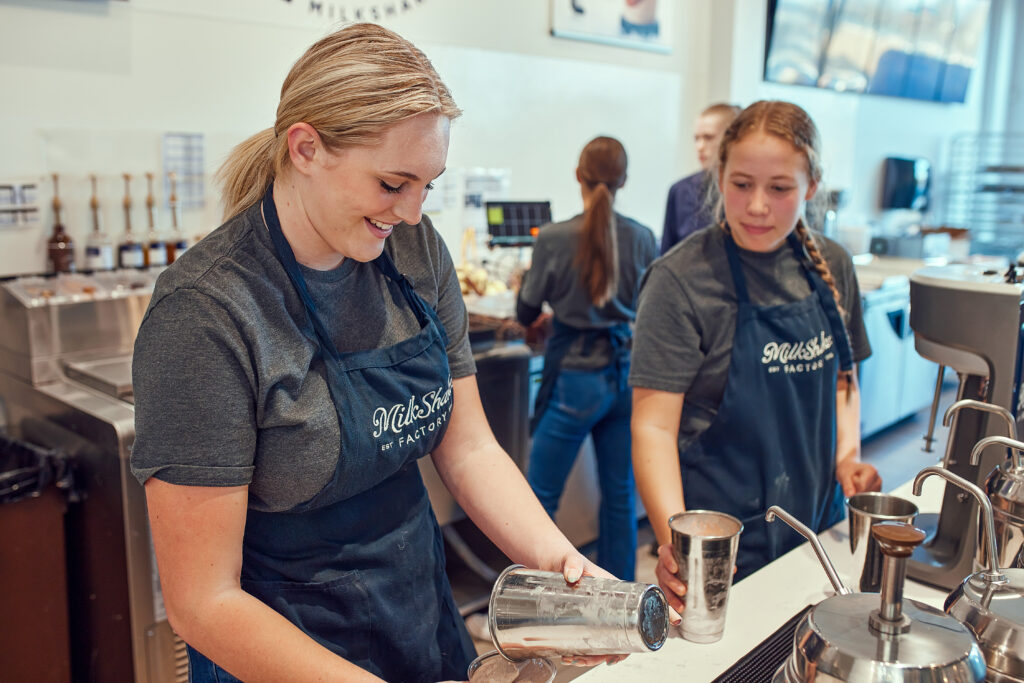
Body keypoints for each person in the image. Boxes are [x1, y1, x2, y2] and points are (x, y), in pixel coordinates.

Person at [130, 23, 629, 683]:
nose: (414, 213)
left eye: (428, 184)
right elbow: (204, 601)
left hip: (413, 610)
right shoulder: (207, 313)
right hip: (276, 644)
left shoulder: (414, 253)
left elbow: (470, 445)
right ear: (305, 147)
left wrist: (567, 566)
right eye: (394, 183)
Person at [629, 101, 882, 606]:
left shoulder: (832, 264)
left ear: (811, 187)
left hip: (820, 531)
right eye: (742, 184)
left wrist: (848, 456)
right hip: (727, 544)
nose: (758, 206)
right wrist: (679, 542)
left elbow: (843, 378)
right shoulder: (681, 280)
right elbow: (652, 426)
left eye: (780, 188)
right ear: (718, 175)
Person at [517, 137, 658, 582]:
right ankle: (620, 601)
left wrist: (540, 317)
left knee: (538, 498)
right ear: (625, 181)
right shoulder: (642, 237)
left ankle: (528, 601)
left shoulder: (554, 237)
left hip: (574, 379)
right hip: (625, 373)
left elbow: (525, 309)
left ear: (577, 176)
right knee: (619, 494)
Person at [660, 102, 741, 255]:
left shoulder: (749, 192)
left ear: (732, 139)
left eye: (709, 138)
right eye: (696, 139)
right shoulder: (680, 191)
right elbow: (666, 254)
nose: (700, 146)